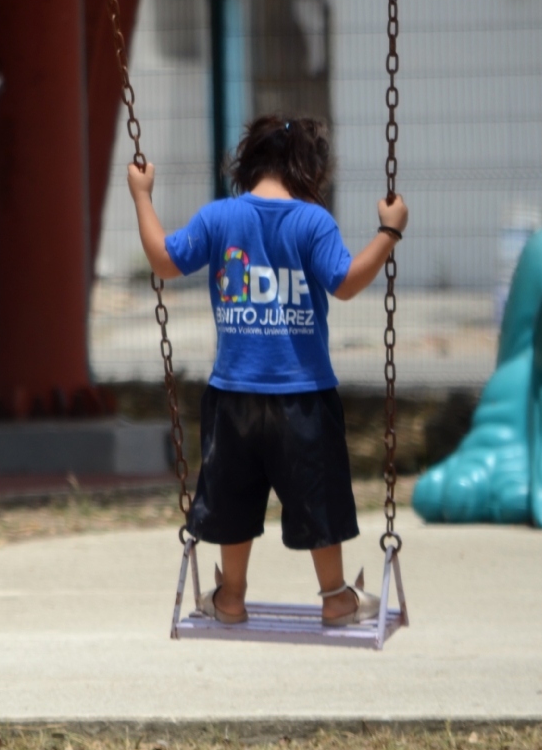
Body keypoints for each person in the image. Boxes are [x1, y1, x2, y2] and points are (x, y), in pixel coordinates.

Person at [126, 116, 408, 626]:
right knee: (318, 499)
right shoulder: (313, 222)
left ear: (247, 164)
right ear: (310, 170)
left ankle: (229, 596)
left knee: (231, 496)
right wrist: (388, 232)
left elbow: (165, 262)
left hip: (232, 393)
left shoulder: (219, 218)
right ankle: (337, 599)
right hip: (304, 395)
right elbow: (344, 282)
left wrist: (142, 195)